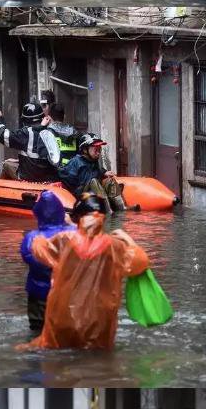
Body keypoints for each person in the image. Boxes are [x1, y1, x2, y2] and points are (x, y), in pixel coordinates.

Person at [17, 192, 150, 351]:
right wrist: (127, 239)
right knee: (99, 353)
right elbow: (139, 261)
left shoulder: (64, 239)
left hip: (66, 310)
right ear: (104, 217)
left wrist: (41, 236)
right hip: (100, 315)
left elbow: (37, 250)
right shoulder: (114, 245)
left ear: (77, 217)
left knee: (53, 346)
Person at [20, 190, 76, 335]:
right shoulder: (73, 233)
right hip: (67, 295)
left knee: (37, 332)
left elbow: (27, 256)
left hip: (38, 295)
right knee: (66, 332)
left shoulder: (32, 238)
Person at [0, 102, 60, 183]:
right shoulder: (51, 131)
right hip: (50, 180)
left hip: (29, 180)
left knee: (6, 164)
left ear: (24, 121)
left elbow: (3, 136)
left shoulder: (26, 133)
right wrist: (19, 160)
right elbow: (41, 157)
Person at [59, 133, 126, 212]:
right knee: (93, 181)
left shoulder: (93, 160)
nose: (98, 152)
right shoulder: (75, 162)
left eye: (99, 149)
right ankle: (108, 210)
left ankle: (122, 207)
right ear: (85, 150)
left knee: (110, 181)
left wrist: (104, 172)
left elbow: (96, 170)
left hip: (94, 191)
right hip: (81, 194)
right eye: (96, 150)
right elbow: (65, 176)